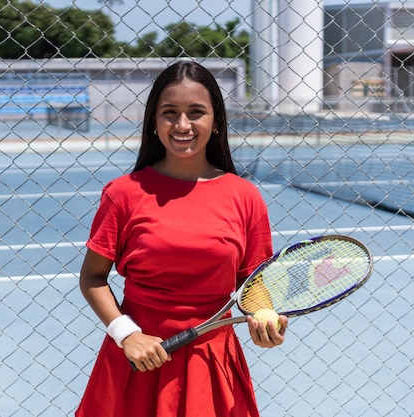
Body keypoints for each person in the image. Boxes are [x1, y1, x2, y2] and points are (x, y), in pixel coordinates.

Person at [75, 60, 288, 417]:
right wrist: (127, 334)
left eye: (196, 112)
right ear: (154, 122)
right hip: (139, 359)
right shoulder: (123, 194)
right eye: (170, 113)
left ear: (216, 121)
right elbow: (92, 277)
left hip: (213, 361)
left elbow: (252, 283)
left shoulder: (245, 196)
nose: (183, 125)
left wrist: (263, 314)